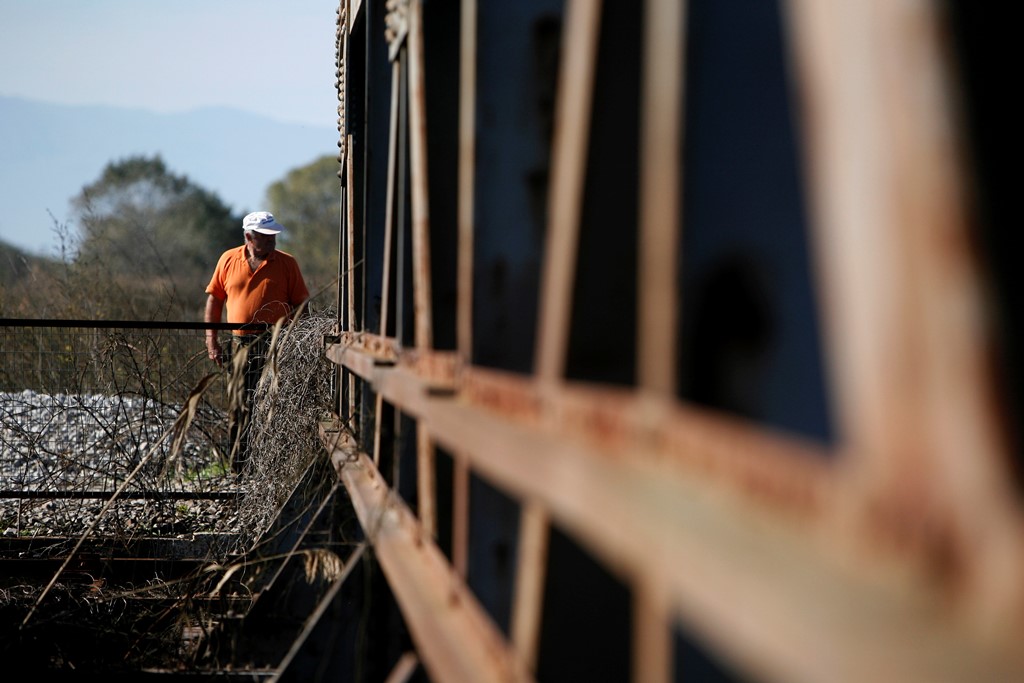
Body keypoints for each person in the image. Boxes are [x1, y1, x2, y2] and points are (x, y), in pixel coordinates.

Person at [205, 211, 309, 475]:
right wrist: (212, 339)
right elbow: (215, 300)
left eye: (274, 235)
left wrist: (297, 344)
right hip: (240, 343)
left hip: (278, 345)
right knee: (240, 404)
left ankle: (274, 468)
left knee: (276, 403)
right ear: (248, 237)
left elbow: (301, 307)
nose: (272, 240)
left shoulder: (287, 264)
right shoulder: (228, 259)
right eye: (266, 236)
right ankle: (239, 469)